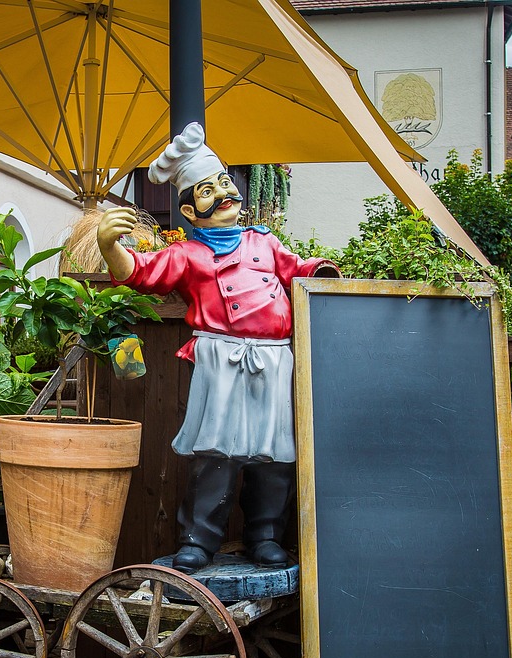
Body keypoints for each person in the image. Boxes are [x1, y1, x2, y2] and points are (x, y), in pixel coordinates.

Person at [96, 122, 339, 572]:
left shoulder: (264, 241)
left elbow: (294, 268)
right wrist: (110, 245)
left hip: (273, 360)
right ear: (189, 210)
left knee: (276, 452)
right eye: (209, 191)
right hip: (221, 360)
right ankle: (198, 540)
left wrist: (320, 273)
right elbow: (140, 272)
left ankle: (266, 535)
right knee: (217, 454)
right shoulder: (187, 255)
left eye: (225, 184)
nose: (224, 194)